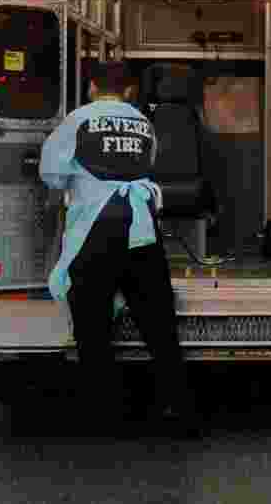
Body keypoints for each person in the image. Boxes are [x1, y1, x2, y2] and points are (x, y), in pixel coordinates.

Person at [40, 61, 198, 437]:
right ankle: (178, 410)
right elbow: (148, 164)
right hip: (141, 231)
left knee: (92, 327)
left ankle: (106, 415)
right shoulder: (143, 123)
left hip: (96, 231)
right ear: (128, 91)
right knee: (159, 325)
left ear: (93, 87)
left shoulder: (78, 120)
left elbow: (52, 172)